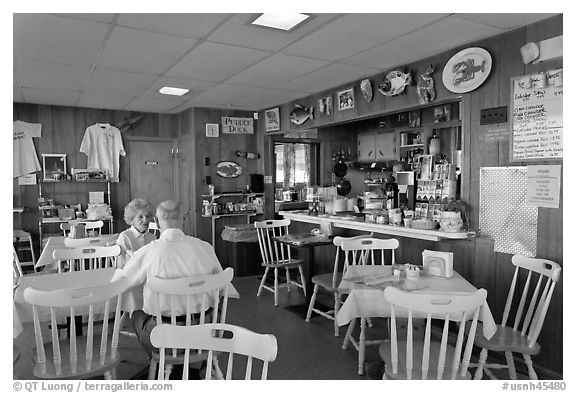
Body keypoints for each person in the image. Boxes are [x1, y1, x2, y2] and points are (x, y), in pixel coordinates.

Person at [112, 200, 224, 358]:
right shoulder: (206, 248)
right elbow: (225, 288)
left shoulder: (148, 252)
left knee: (137, 313)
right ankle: (204, 362)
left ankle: (163, 363)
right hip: (206, 331)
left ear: (156, 222)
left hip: (162, 337)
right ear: (184, 219)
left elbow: (121, 282)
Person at [115, 198, 156, 268]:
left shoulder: (152, 238)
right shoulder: (125, 237)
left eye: (147, 216)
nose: (145, 220)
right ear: (131, 220)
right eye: (140, 217)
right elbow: (120, 266)